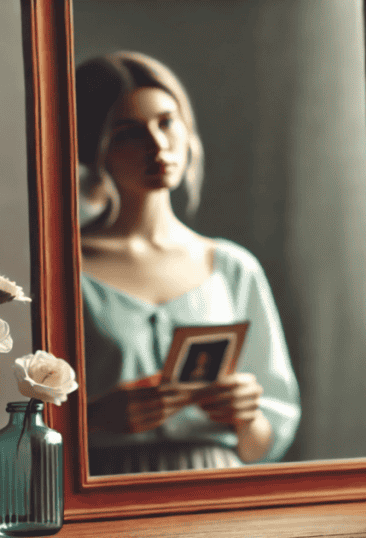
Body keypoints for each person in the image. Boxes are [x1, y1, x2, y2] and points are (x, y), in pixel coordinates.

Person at [75, 51, 300, 475]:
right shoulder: (66, 273)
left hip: (219, 491)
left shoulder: (232, 268)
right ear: (93, 147)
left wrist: (246, 413)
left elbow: (264, 445)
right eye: (127, 132)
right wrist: (95, 418)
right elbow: (22, 415)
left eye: (165, 122)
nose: (157, 146)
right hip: (105, 492)